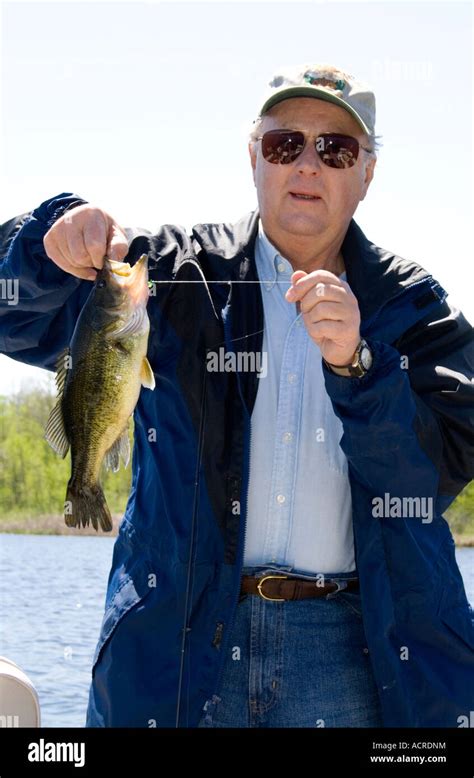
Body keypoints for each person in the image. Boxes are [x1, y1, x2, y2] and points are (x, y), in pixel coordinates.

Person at [0, 63, 473, 728]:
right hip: (181, 639)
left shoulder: (415, 308)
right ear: (254, 157)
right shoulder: (168, 276)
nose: (307, 165)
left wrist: (360, 366)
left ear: (367, 174)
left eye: (335, 149)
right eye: (285, 144)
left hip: (353, 653)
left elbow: (437, 475)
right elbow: (16, 316)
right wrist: (48, 242)